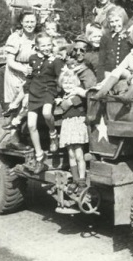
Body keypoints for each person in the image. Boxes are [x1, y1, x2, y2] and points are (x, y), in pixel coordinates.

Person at [55, 45, 96, 194]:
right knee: (70, 154)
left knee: (79, 154)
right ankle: (74, 177)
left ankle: (82, 180)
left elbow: (71, 104)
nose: (67, 86)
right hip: (67, 125)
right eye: (65, 83)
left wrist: (66, 101)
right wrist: (60, 101)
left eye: (70, 83)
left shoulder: (77, 96)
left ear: (76, 83)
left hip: (77, 124)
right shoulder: (65, 96)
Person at [22, 32, 64, 174]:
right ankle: (40, 156)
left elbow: (61, 78)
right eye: (43, 45)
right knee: (31, 125)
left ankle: (53, 135)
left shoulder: (56, 60)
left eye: (48, 45)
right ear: (37, 47)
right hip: (34, 92)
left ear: (52, 45)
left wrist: (59, 95)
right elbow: (29, 77)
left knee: (47, 113)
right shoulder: (32, 59)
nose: (46, 48)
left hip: (48, 90)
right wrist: (26, 93)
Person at [4, 10, 37, 107]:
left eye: (32, 22)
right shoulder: (15, 37)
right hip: (16, 72)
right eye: (27, 22)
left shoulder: (37, 37)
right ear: (21, 22)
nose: (30, 25)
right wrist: (24, 69)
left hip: (32, 72)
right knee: (21, 98)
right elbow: (10, 61)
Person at [96, 5, 132, 82]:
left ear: (123, 19)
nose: (115, 24)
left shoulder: (129, 36)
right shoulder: (105, 38)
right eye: (112, 22)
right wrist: (100, 80)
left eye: (117, 21)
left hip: (125, 73)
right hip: (109, 73)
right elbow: (101, 62)